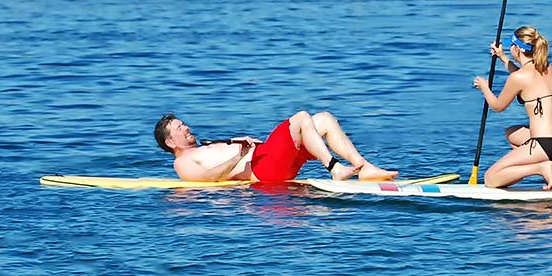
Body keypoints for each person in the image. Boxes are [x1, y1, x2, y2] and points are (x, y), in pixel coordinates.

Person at [154, 110, 399, 183]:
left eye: (184, 124)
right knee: (302, 117)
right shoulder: (182, 162)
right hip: (264, 169)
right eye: (179, 128)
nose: (186, 127)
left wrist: (240, 141)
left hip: (267, 158)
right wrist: (238, 155)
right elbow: (209, 177)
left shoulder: (205, 145)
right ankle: (334, 168)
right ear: (170, 142)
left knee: (323, 119)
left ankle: (364, 168)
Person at [472, 25, 552, 190]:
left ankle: (540, 168)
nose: (510, 49)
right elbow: (524, 77)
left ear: (518, 49)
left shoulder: (518, 78)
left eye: (511, 46)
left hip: (546, 143)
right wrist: (503, 58)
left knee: (490, 178)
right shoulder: (548, 68)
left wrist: (484, 87)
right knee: (511, 133)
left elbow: (498, 106)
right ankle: (550, 171)